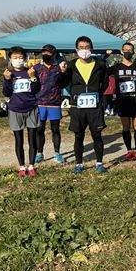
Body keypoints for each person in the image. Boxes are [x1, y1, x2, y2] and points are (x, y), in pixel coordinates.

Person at [58, 36, 109, 174]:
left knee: (97, 135)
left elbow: (105, 82)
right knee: (78, 136)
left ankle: (99, 163)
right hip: (78, 107)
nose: (84, 50)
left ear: (91, 49)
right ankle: (79, 164)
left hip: (94, 106)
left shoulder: (100, 64)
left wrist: (98, 94)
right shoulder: (71, 65)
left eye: (87, 47)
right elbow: (63, 83)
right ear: (76, 49)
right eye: (81, 48)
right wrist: (62, 73)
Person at [3, 46, 40, 177]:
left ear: (25, 58)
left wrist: (33, 77)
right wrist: (7, 80)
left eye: (20, 57)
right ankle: (22, 166)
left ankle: (31, 166)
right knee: (19, 140)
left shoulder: (30, 71)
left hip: (31, 108)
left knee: (32, 139)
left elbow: (36, 89)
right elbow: (6, 93)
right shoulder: (9, 73)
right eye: (15, 57)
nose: (18, 59)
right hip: (15, 109)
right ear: (10, 59)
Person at [109, 42, 136, 161]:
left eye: (130, 50)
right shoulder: (116, 67)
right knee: (126, 126)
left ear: (133, 52)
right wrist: (106, 56)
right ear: (122, 51)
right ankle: (129, 150)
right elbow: (102, 70)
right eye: (126, 49)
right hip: (122, 101)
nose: (128, 52)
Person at [33, 44, 65, 164]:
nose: (46, 54)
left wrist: (63, 73)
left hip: (54, 103)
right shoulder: (36, 68)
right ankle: (39, 153)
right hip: (39, 103)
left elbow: (64, 83)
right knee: (39, 129)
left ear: (54, 54)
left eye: (49, 52)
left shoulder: (59, 68)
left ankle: (57, 153)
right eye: (44, 52)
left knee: (55, 129)